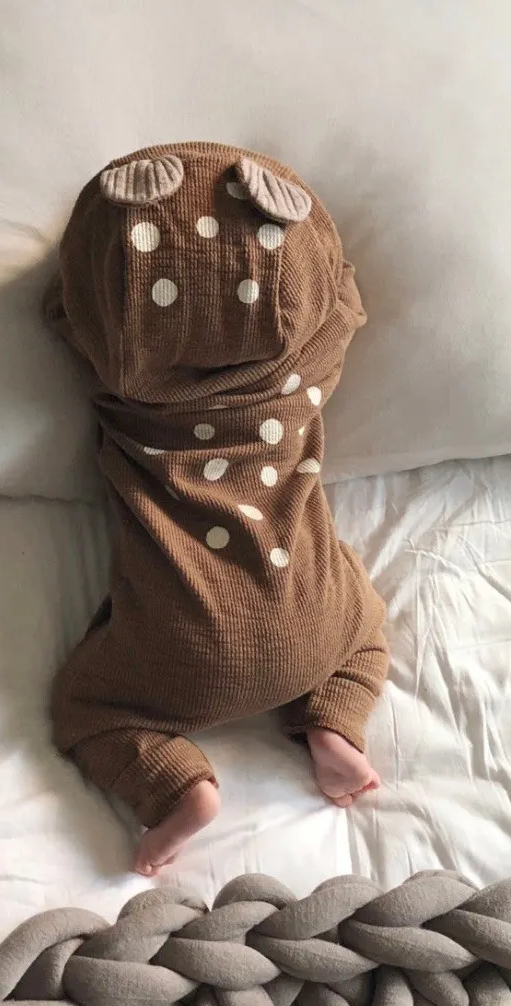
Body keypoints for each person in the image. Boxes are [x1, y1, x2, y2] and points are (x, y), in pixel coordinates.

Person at [45, 142, 388, 876]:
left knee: (87, 710)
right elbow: (343, 304)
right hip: (311, 616)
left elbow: (67, 312)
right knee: (365, 633)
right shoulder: (305, 364)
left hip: (180, 647)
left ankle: (177, 788)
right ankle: (334, 724)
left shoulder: (120, 376)